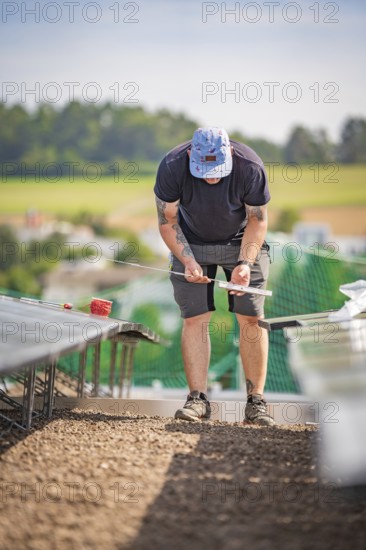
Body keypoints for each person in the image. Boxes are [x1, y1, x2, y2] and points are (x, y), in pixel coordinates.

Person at [154, 127, 274, 426]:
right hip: (191, 242)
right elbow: (167, 222)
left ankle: (255, 402)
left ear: (230, 155)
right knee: (195, 317)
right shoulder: (171, 167)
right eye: (204, 171)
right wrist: (187, 260)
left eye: (217, 171)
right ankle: (197, 400)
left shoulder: (250, 167)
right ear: (191, 155)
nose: (211, 178)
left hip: (241, 240)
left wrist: (246, 263)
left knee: (251, 316)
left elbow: (258, 220)